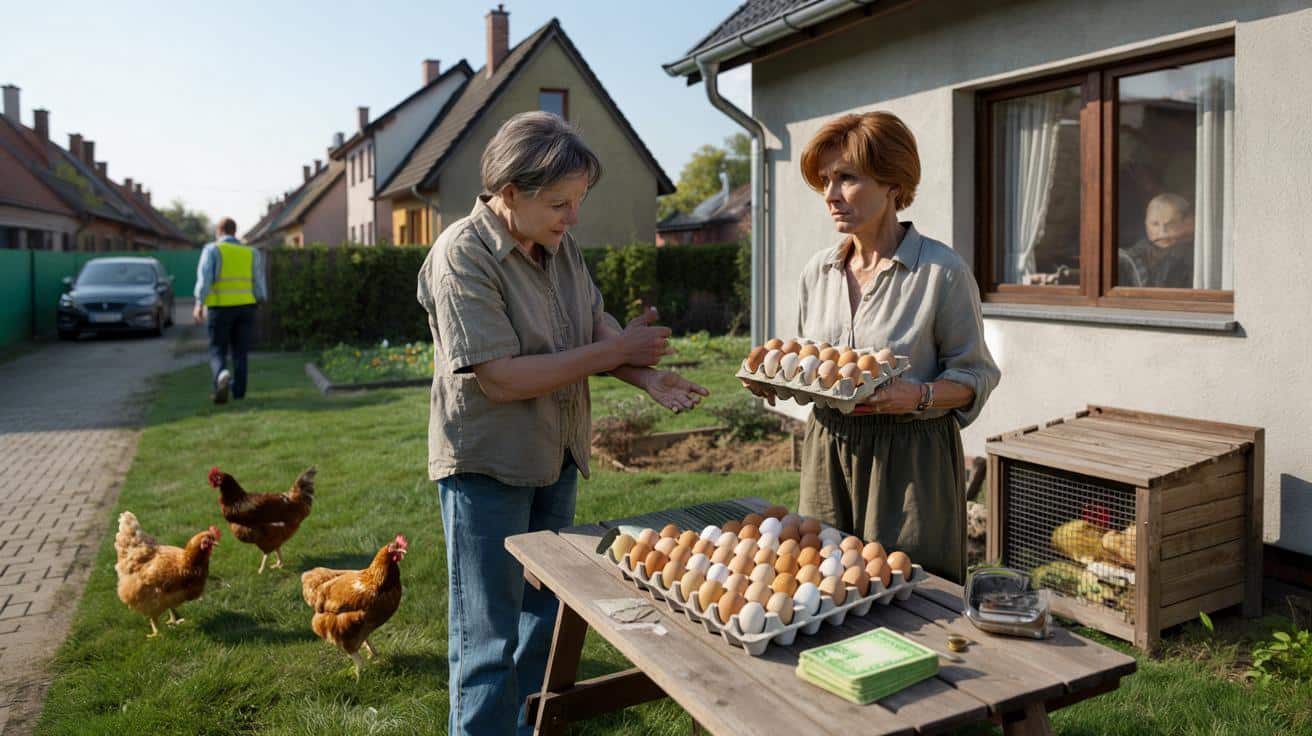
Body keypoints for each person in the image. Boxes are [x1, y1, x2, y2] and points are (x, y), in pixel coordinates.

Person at [417, 111, 708, 736]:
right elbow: (501, 377)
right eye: (560, 203)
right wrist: (618, 352)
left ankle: (528, 728)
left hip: (555, 457)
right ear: (509, 193)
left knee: (543, 619)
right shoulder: (461, 255)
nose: (572, 216)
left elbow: (595, 325)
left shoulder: (557, 244)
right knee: (486, 637)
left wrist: (647, 377)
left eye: (577, 202)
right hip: (488, 467)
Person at [746, 111, 1000, 584]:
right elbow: (815, 365)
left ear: (891, 184)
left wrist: (919, 395)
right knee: (823, 582)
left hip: (909, 460)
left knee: (912, 591)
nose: (830, 195)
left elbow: (976, 376)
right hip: (827, 449)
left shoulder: (940, 273)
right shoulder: (818, 272)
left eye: (847, 178)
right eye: (825, 180)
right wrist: (779, 380)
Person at [193, 218, 266, 404]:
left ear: (219, 231)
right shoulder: (251, 252)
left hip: (220, 308)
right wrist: (260, 300)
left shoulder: (212, 250)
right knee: (241, 352)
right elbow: (258, 281)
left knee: (218, 349)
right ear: (235, 231)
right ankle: (239, 392)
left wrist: (199, 304)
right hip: (246, 308)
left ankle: (221, 375)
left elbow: (205, 279)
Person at [1118, 193, 1195, 288]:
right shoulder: (1126, 260)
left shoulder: (1193, 258)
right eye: (1155, 224)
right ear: (1146, 224)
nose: (1162, 232)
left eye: (1170, 224)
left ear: (1184, 225)